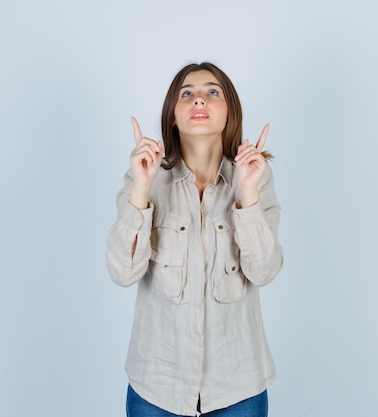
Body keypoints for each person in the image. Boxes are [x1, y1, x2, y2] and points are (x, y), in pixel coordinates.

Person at [106, 62, 284, 417]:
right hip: (156, 388)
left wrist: (246, 195)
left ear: (228, 111)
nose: (199, 99)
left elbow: (263, 271)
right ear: (173, 115)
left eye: (212, 92)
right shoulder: (145, 178)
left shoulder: (255, 178)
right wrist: (141, 189)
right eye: (187, 93)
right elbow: (123, 272)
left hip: (240, 387)